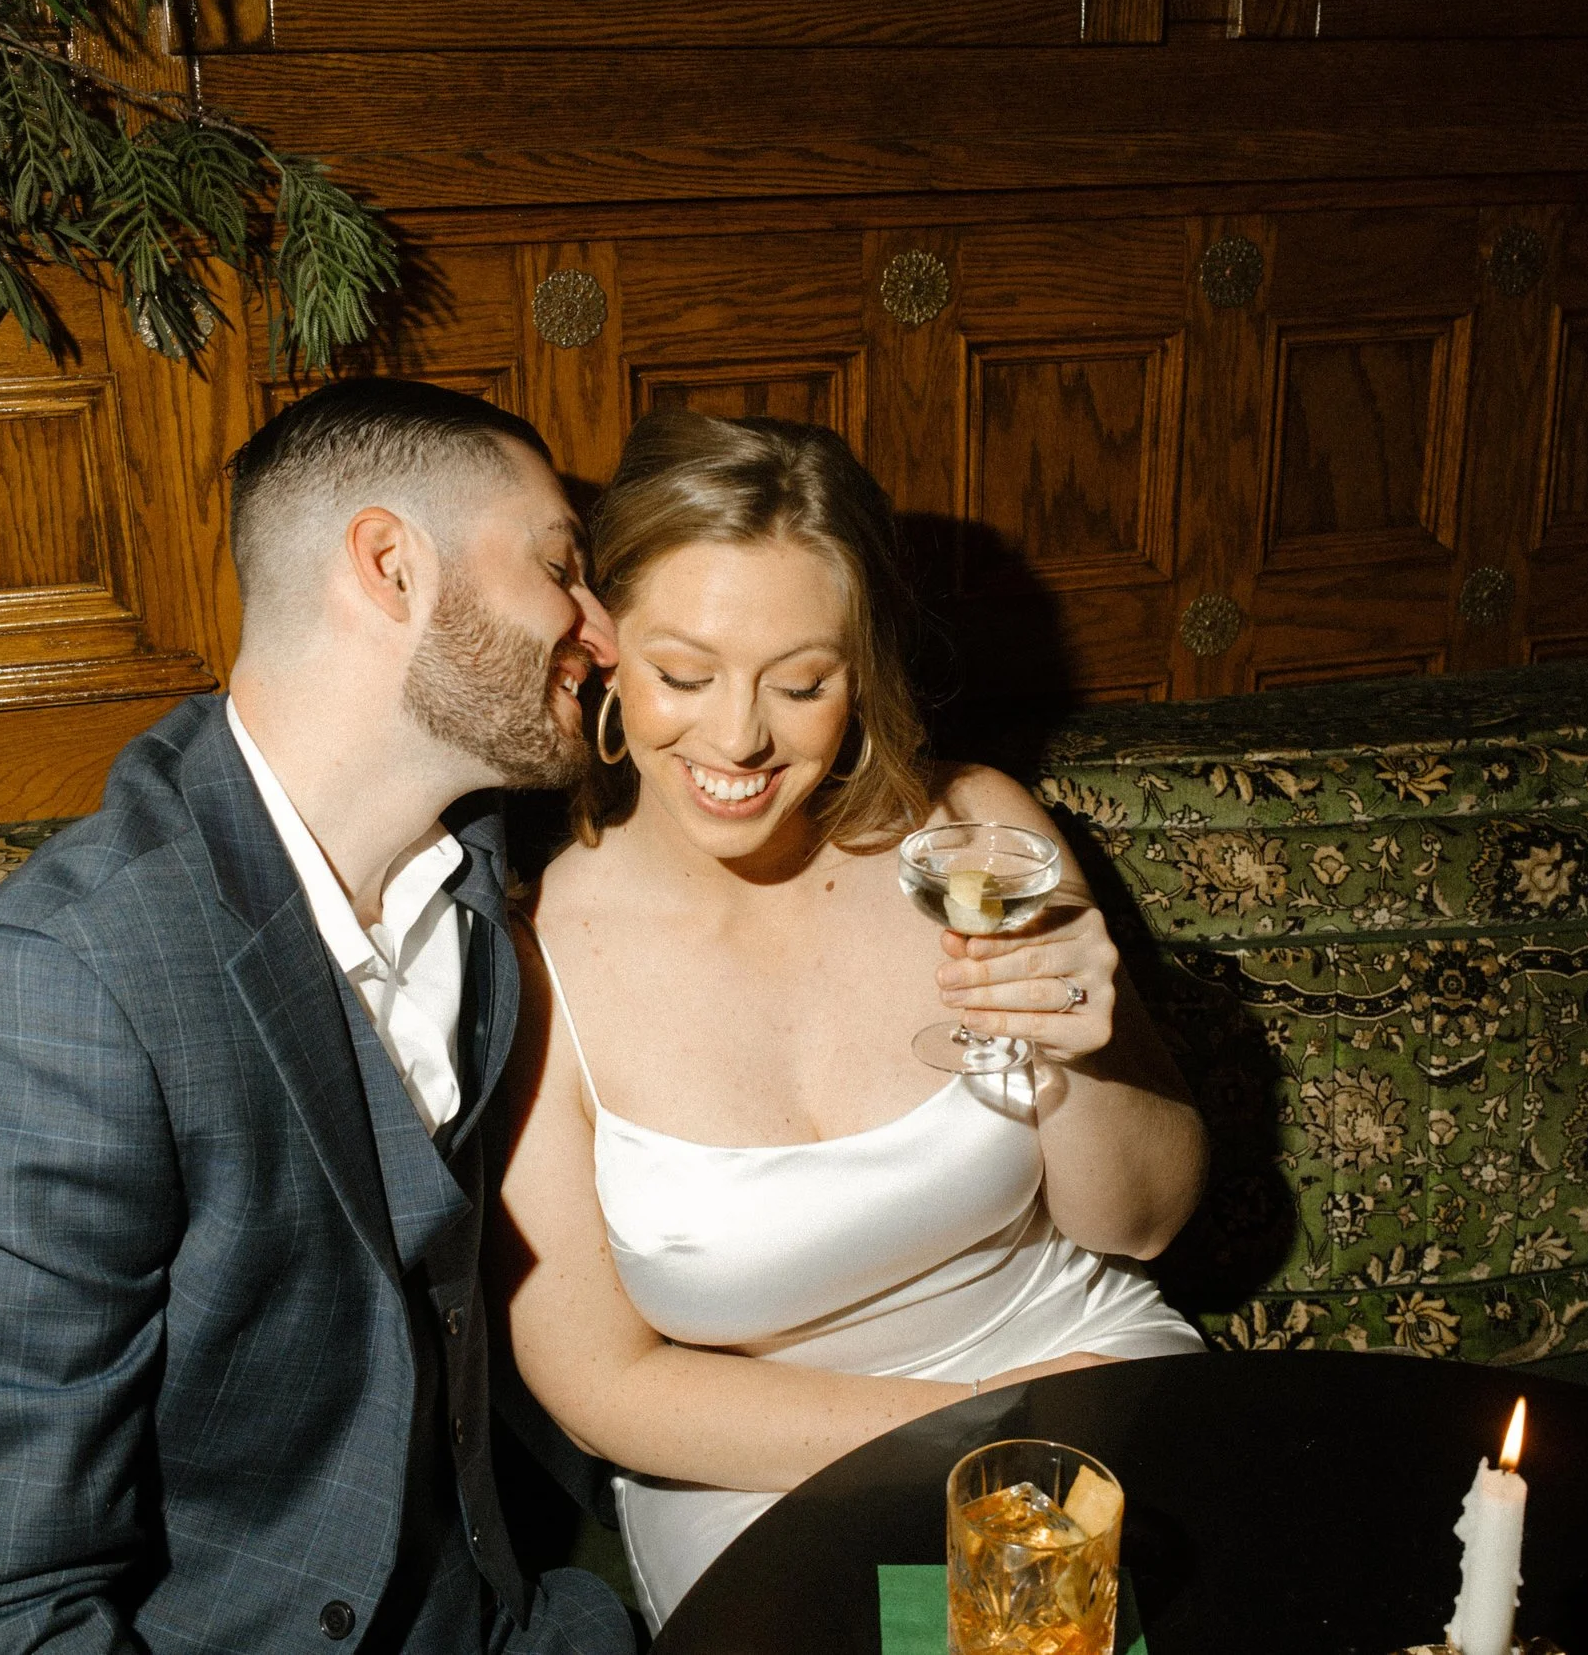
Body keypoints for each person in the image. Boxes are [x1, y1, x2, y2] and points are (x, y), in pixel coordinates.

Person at [0, 379, 635, 1655]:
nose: (599, 630)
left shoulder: (488, 874)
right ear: (390, 566)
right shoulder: (51, 994)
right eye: (562, 568)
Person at [497, 411, 1210, 1625]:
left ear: (862, 665)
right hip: (758, 1465)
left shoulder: (977, 837)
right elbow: (598, 1384)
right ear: (604, 647)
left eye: (802, 681)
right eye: (684, 673)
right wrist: (993, 1427)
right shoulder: (525, 945)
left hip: (1079, 1358)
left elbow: (1139, 1222)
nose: (737, 737)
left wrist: (1083, 1053)